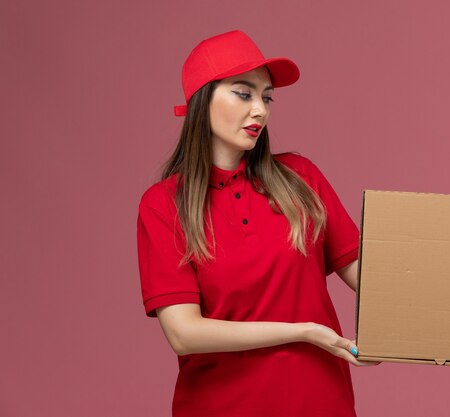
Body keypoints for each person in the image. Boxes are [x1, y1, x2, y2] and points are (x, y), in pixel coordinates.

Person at [136, 30, 378, 417]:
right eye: (243, 93)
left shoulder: (301, 178)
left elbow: (373, 279)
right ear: (203, 99)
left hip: (320, 404)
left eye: (266, 97)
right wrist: (302, 331)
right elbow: (184, 333)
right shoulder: (164, 205)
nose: (261, 111)